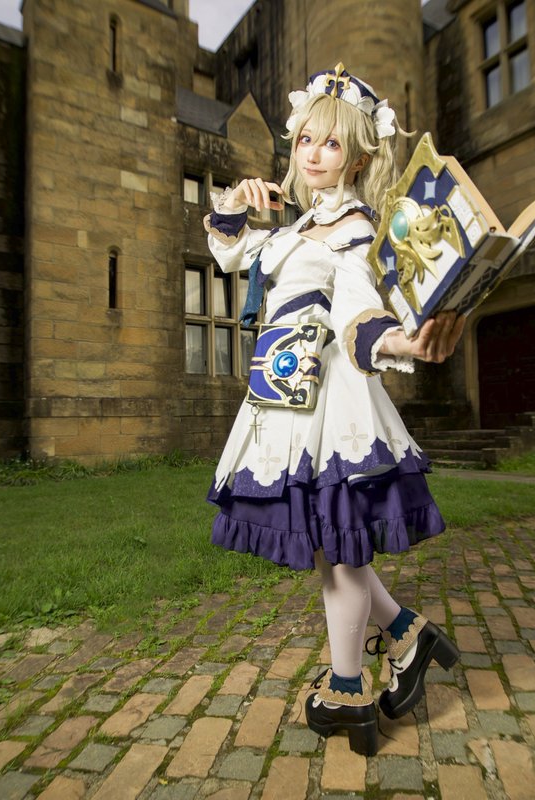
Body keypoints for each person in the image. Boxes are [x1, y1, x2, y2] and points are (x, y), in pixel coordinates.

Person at [203, 63, 465, 756]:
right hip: (285, 402)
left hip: (332, 408)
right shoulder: (298, 227)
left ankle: (348, 690)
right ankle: (406, 634)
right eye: (304, 140)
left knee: (340, 554)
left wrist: (404, 340)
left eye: (331, 143)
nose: (312, 154)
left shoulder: (355, 230)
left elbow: (359, 314)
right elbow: (231, 254)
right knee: (332, 548)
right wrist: (235, 202)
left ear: (358, 158)